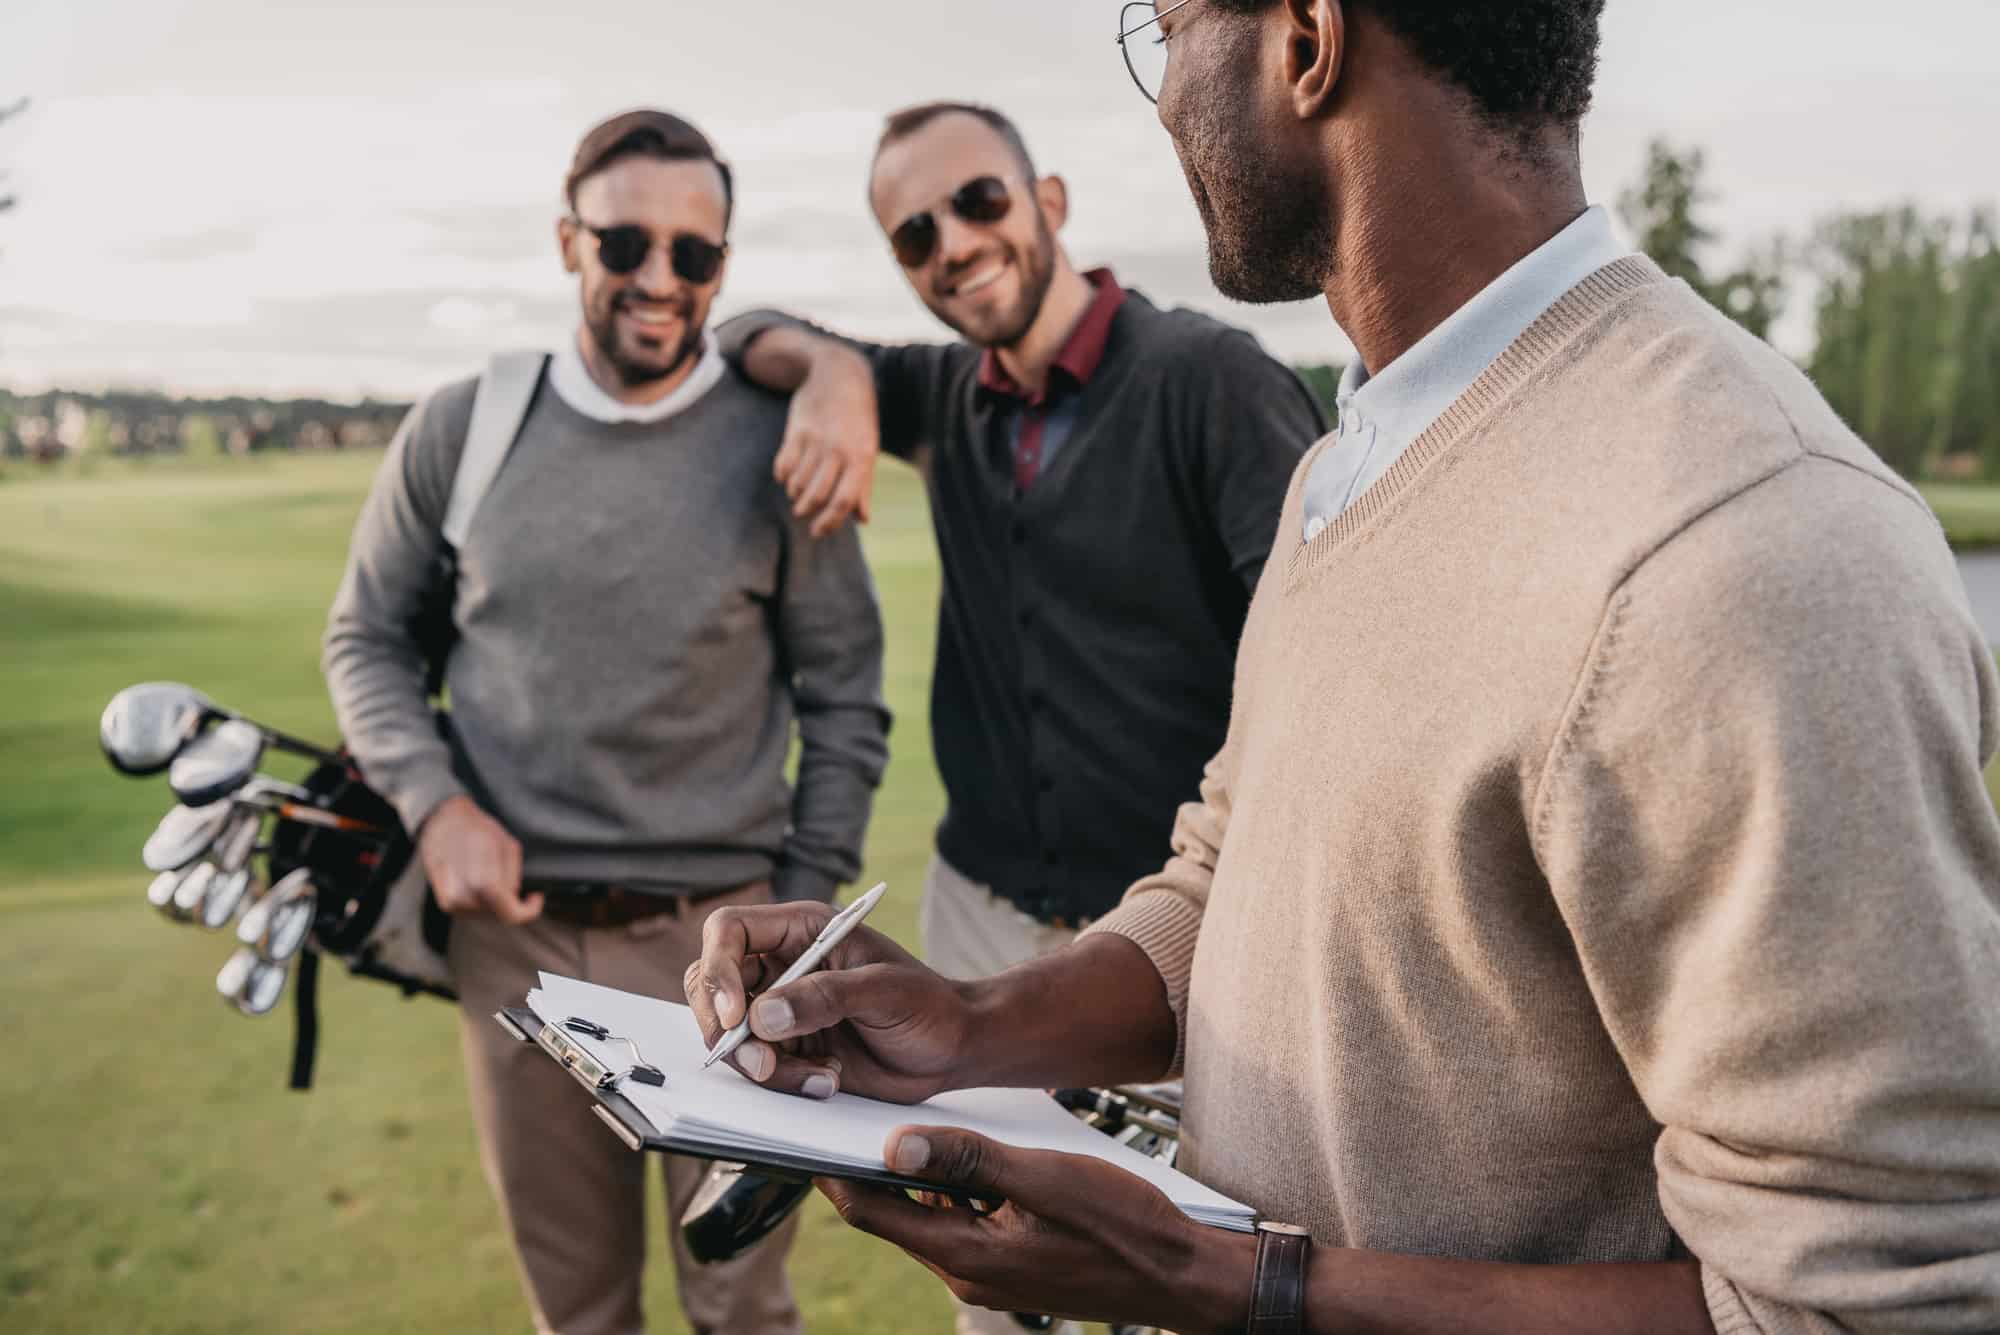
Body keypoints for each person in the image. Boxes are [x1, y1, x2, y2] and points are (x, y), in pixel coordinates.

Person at [684, 3, 2000, 1332]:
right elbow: (1227, 878)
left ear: (1305, 40)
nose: (1161, 94)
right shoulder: (1350, 461)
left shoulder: (1748, 545)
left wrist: (1226, 1282)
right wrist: (969, 1023)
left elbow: (1871, 1301)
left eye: (1169, 22)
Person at [323, 108, 889, 1335]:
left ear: (723, 269)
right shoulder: (462, 428)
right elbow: (361, 637)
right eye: (626, 242)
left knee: (743, 1308)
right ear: (567, 240)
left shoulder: (780, 443)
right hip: (514, 957)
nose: (658, 279)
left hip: (726, 955)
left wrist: (795, 919)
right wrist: (439, 804)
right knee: (577, 1314)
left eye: (695, 254)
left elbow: (845, 699)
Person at [714, 101, 1322, 1012]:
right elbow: (740, 331)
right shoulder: (938, 391)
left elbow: (1322, 655)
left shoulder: (1212, 381)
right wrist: (831, 370)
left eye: (980, 200)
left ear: (1049, 199)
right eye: (915, 235)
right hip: (975, 927)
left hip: (1185, 931)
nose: (953, 244)